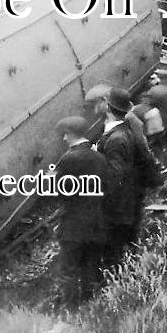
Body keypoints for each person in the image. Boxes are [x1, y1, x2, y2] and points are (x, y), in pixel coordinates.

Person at [53, 115, 108, 307]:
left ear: (71, 134)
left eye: (65, 135)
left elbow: (56, 191)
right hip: (97, 223)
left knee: (68, 271)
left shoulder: (69, 158)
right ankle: (90, 308)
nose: (64, 139)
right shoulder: (100, 157)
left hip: (74, 225)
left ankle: (67, 314)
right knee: (90, 269)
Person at [96, 87, 145, 269]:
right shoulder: (125, 130)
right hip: (129, 198)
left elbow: (114, 177)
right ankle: (132, 270)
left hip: (117, 205)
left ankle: (118, 281)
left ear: (108, 108)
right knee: (128, 240)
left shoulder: (116, 139)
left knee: (113, 247)